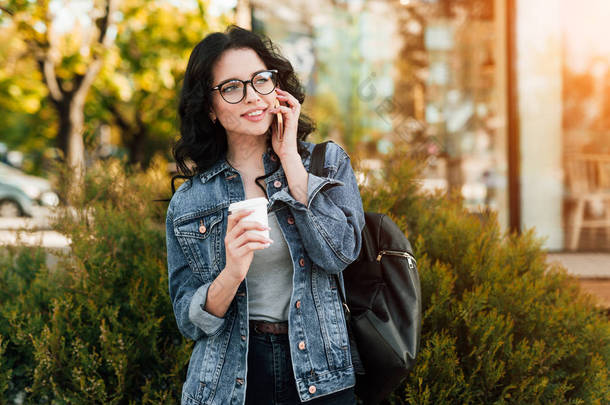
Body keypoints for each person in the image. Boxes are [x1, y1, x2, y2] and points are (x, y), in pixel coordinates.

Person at [165, 25, 365, 405]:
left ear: (277, 85)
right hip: (229, 381)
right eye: (232, 87)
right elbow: (189, 322)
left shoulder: (325, 164)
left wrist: (290, 159)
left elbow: (339, 254)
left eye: (260, 80)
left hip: (322, 369)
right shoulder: (190, 201)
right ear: (209, 107)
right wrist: (231, 273)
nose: (252, 97)